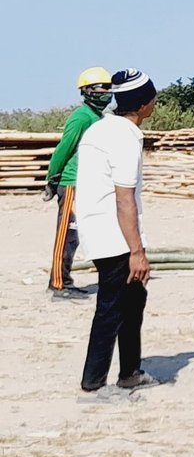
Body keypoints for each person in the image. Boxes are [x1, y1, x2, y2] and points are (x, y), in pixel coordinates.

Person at [74, 69, 158, 393]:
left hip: (103, 230)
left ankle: (130, 372)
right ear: (141, 104)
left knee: (134, 298)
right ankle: (93, 383)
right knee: (111, 307)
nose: (155, 103)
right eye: (152, 98)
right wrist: (137, 251)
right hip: (114, 236)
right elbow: (124, 199)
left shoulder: (103, 129)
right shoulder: (123, 137)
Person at [45, 68, 115, 300]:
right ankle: (57, 284)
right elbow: (64, 148)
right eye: (100, 88)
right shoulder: (82, 117)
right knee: (67, 235)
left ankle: (66, 280)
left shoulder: (99, 118)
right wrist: (52, 179)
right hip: (72, 182)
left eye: (108, 87)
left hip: (89, 183)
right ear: (86, 91)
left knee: (79, 236)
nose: (106, 92)